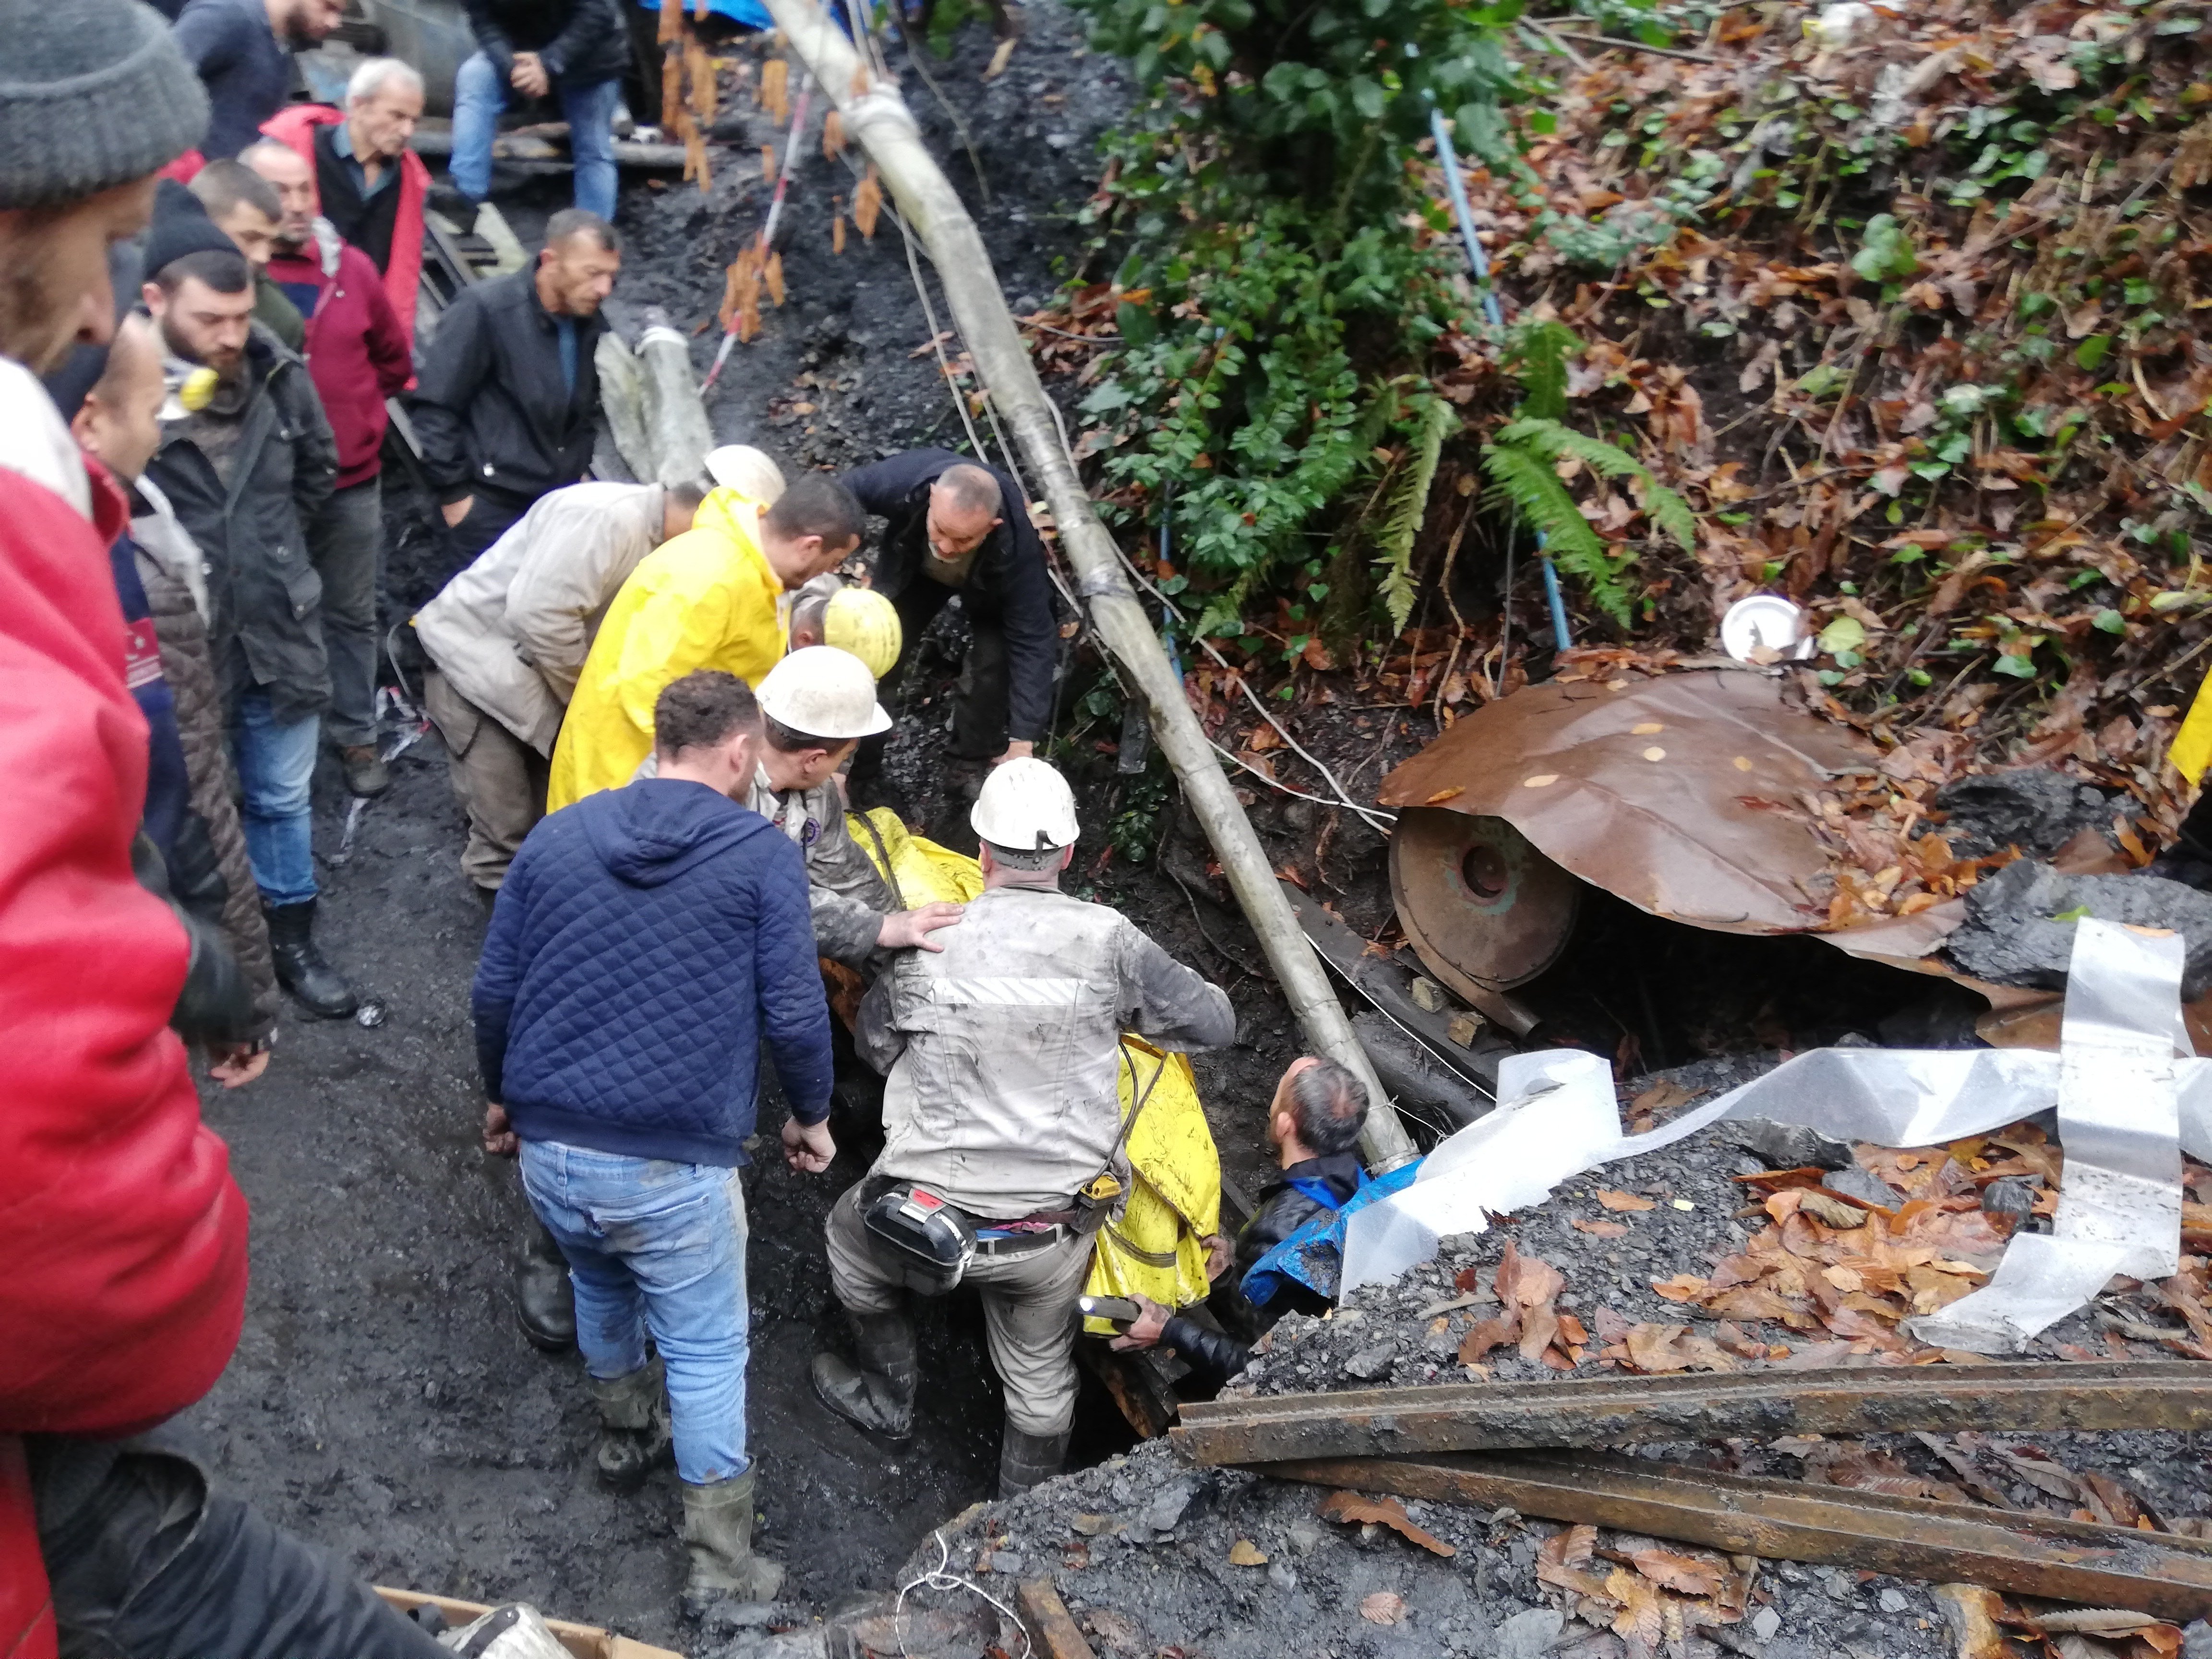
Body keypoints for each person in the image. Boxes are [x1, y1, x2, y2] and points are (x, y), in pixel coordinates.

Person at [0, 7, 444, 1654]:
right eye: (120, 247)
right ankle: (293, 943)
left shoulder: (238, 389)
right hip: (50, 1437)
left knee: (266, 815)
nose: (131, 302)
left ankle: (295, 940)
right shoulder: (49, 497)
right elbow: (66, 1204)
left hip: (257, 675)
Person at [473, 670, 837, 1611]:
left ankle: (624, 1437)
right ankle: (722, 1570)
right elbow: (795, 1015)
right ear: (735, 751)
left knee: (598, 1282)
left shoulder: (559, 835)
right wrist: (812, 1115)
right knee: (709, 1351)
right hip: (674, 1166)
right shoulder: (760, 858)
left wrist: (501, 1098)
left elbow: (495, 991)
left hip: (554, 1152)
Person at [814, 758, 1236, 1495]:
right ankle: (1024, 1510)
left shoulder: (926, 938)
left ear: (980, 851)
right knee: (1039, 1377)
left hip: (918, 1223)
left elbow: (876, 1049)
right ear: (1068, 855)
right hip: (1046, 1235)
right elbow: (1216, 1023)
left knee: (851, 1251)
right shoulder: (1112, 942)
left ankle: (887, 1403)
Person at [139, 190, 356, 1020]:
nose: (231, 336)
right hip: (179, 645)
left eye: (239, 317)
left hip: (280, 627)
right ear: (154, 300)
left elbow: (318, 478)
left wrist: (267, 561)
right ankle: (197, 961)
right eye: (210, 320)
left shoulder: (277, 372)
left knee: (280, 798)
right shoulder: (121, 394)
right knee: (187, 804)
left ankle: (293, 941)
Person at [55, 305, 281, 1083]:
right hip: (92, 988)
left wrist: (237, 996)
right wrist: (224, 993)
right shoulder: (82, 568)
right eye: (153, 412)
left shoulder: (133, 530)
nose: (160, 433)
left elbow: (195, 792)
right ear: (91, 422)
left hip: (154, 947)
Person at [414, 475, 725, 903]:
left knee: (556, 817)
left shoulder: (657, 541)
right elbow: (540, 616)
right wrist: (587, 694)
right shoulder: (607, 519)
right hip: (474, 667)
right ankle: (506, 936)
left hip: (531, 676)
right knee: (506, 832)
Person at [241, 136, 413, 799]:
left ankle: (355, 736)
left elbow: (394, 362)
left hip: (349, 483)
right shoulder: (235, 284)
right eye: (276, 192)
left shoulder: (353, 271)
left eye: (302, 190)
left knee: (349, 612)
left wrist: (356, 416)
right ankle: (276, 742)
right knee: (268, 610)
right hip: (266, 492)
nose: (292, 205)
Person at [547, 472, 865, 812]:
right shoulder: (712, 579)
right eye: (831, 564)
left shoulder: (760, 577)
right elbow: (643, 690)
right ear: (810, 546)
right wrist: (698, 783)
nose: (824, 574)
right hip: (620, 777)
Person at [1111, 1057, 1373, 1384]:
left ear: (1284, 1125)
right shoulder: (1362, 1188)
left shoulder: (1277, 1234)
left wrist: (1168, 1331)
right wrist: (1224, 1283)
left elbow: (1273, 1364)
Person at [840, 449, 1058, 806]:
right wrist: (834, 548)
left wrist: (1023, 740)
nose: (945, 547)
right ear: (931, 499)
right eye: (940, 529)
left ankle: (966, 768)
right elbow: (840, 494)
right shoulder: (907, 480)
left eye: (963, 540)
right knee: (880, 655)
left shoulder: (1016, 550)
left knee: (991, 667)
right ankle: (857, 769)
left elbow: (1033, 638)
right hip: (914, 572)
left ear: (992, 527)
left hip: (990, 590)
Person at [409, 209, 619, 567]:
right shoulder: (487, 310)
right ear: (550, 262)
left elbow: (582, 409)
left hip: (554, 509)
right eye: (593, 274)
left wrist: (577, 467)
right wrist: (456, 498)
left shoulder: (586, 325)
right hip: (490, 509)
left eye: (612, 276)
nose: (605, 289)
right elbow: (435, 408)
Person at [748, 646, 964, 967]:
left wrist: (903, 940)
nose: (843, 766)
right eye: (844, 757)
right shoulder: (713, 787)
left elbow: (846, 873)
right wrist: (878, 929)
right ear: (814, 760)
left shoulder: (816, 793)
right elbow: (760, 902)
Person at [260, 59, 433, 351]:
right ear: (359, 106)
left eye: (414, 121)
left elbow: (402, 271)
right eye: (397, 116)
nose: (407, 131)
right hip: (286, 303)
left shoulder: (411, 180)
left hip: (355, 327)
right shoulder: (295, 145)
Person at [456, 0, 629, 225]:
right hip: (519, 54)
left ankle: (592, 236)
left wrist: (548, 64)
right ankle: (464, 202)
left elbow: (597, 13)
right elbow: (482, 19)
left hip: (589, 56)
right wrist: (512, 68)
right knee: (475, 78)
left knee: (593, 148)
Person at [171, 0, 346, 161]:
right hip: (188, 183)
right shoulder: (226, 16)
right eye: (328, 6)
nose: (334, 22)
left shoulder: (282, 47)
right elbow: (159, 85)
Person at [185, 160, 303, 350]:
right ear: (204, 224)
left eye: (270, 241)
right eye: (250, 238)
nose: (263, 257)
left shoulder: (279, 318)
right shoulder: (129, 280)